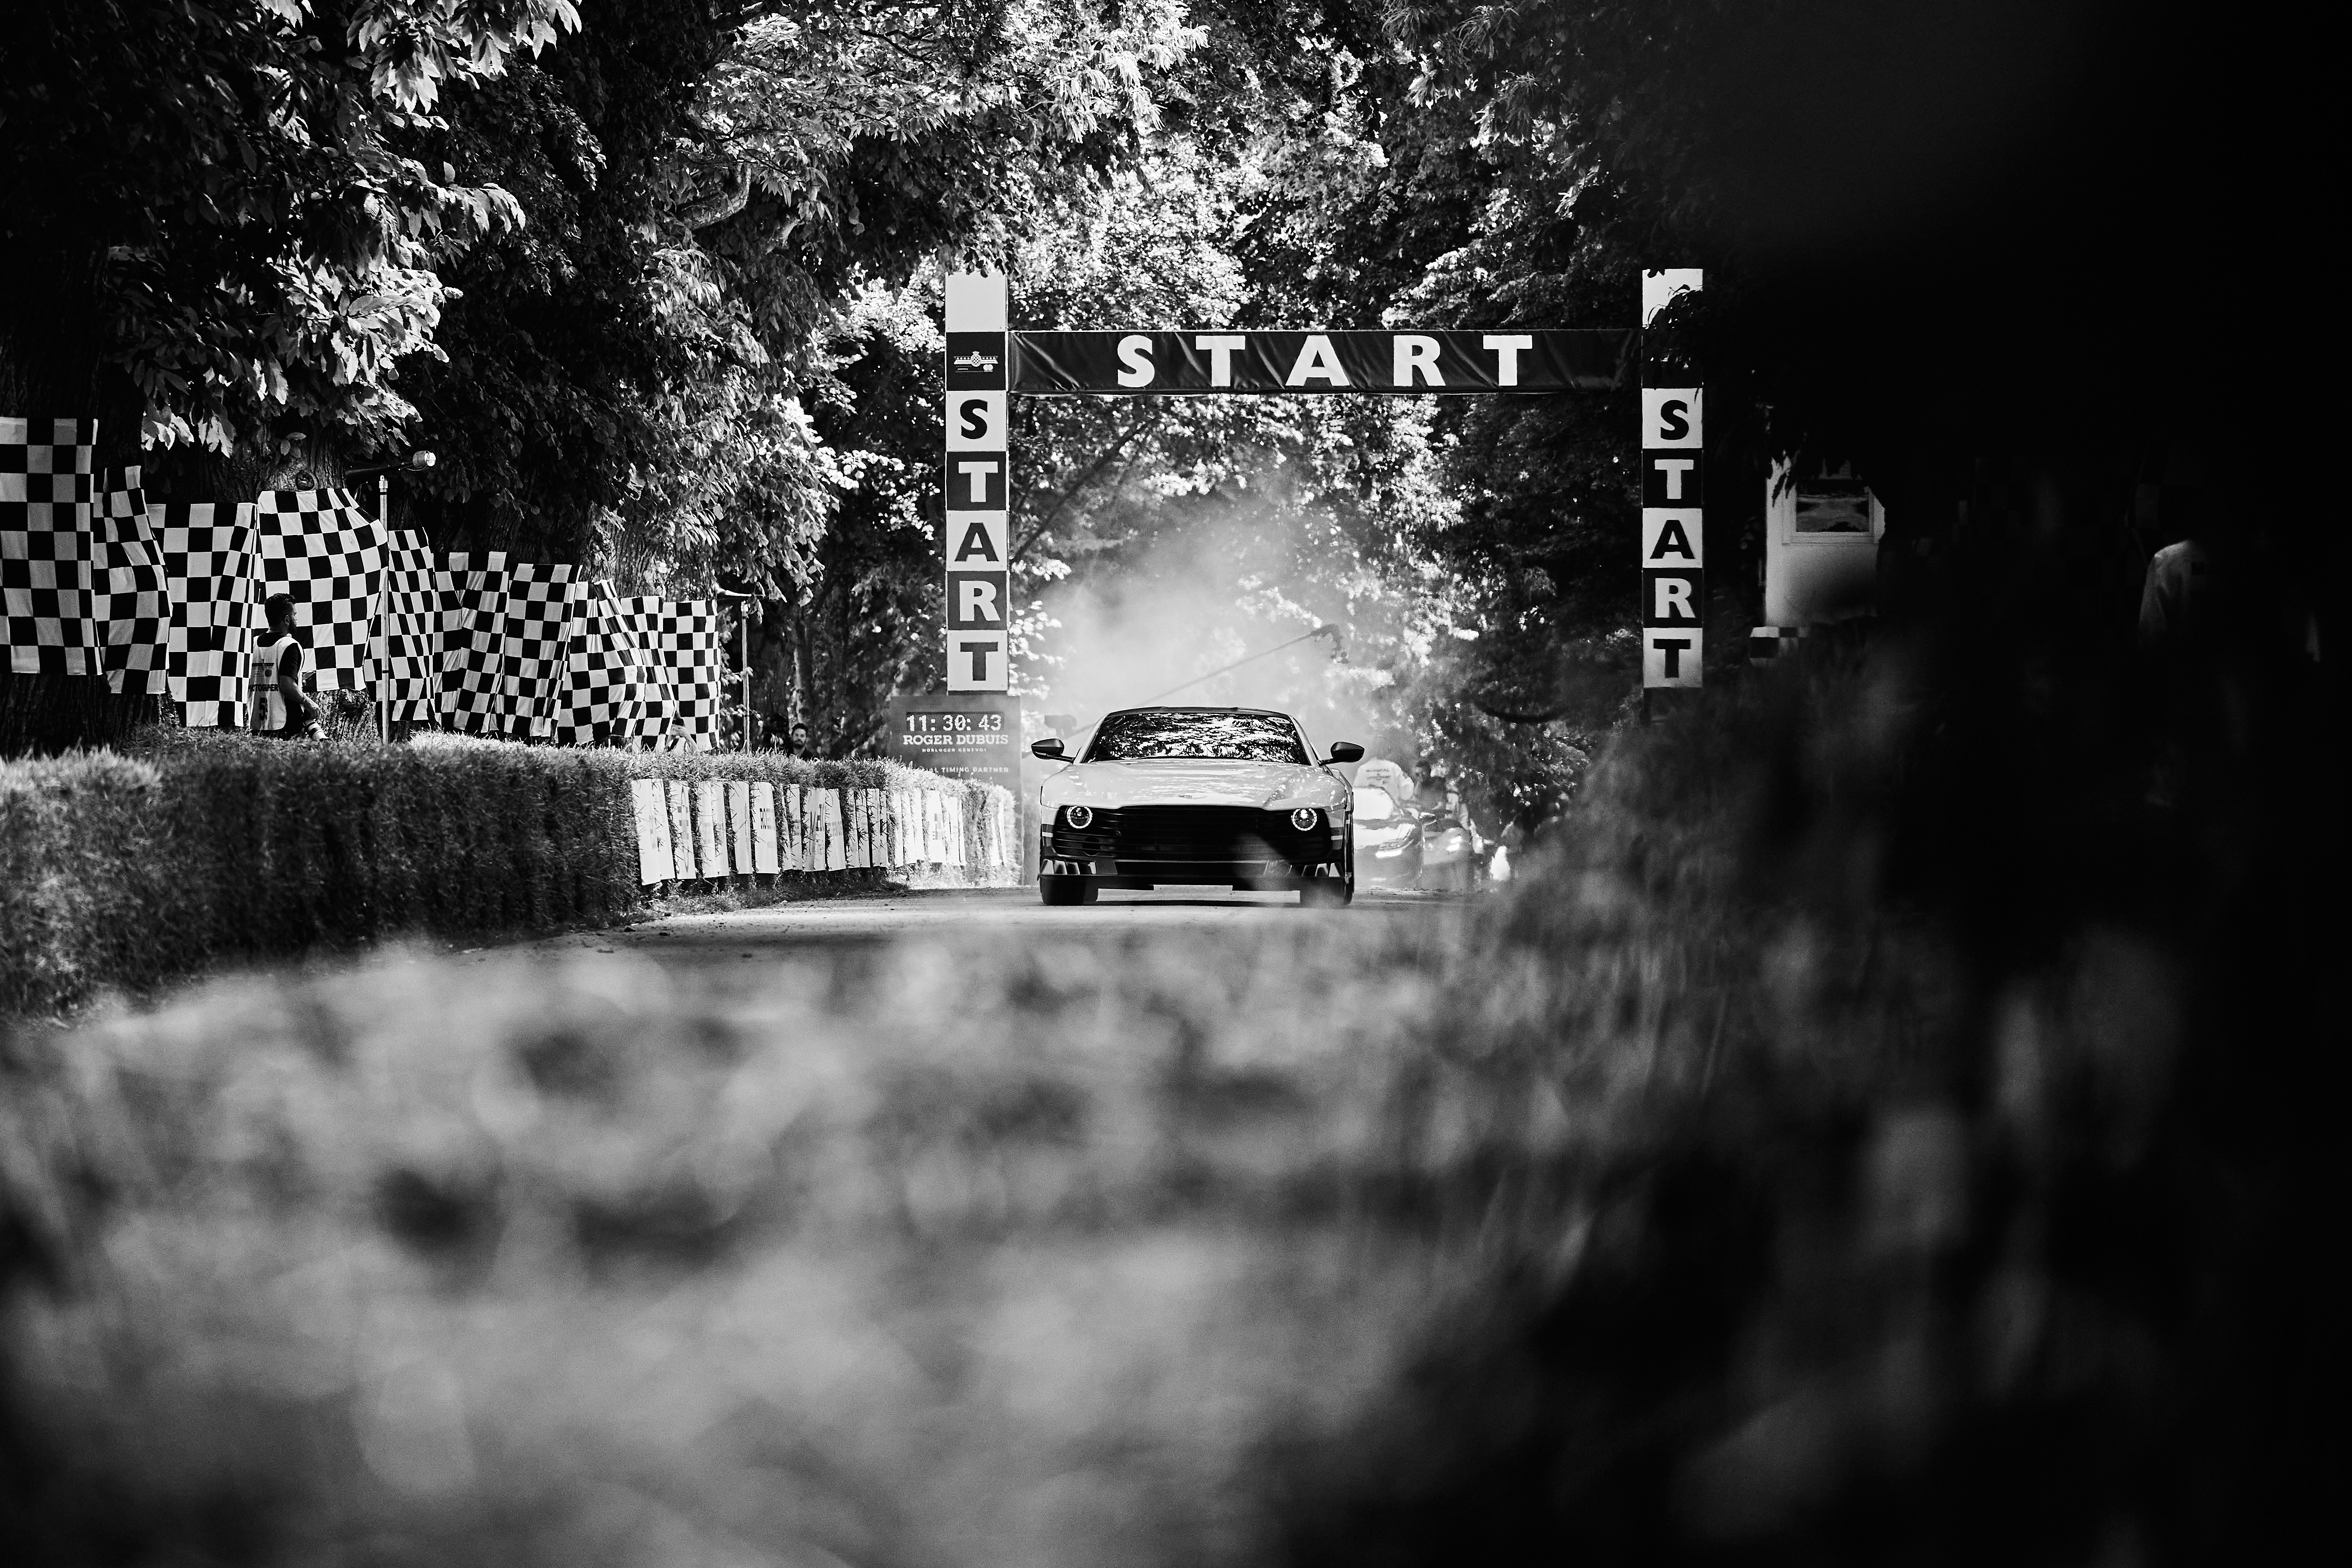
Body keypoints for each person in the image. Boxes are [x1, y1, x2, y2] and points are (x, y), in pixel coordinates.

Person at [248, 593, 319, 739]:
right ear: (287, 619)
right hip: (286, 723)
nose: (296, 619)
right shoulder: (289, 646)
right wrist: (308, 702)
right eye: (295, 615)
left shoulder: (252, 644)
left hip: (257, 722)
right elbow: (287, 686)